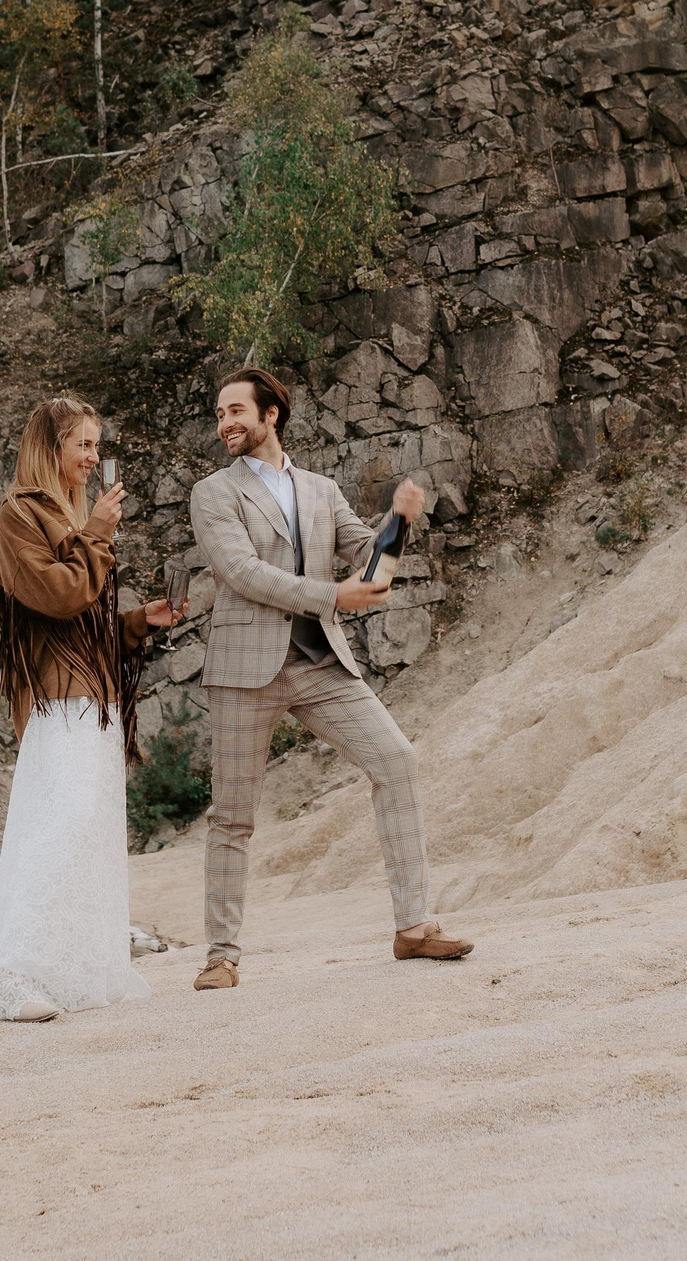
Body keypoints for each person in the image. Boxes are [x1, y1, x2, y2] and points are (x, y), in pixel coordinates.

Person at [185, 366, 473, 991]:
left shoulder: (320, 489)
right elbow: (239, 573)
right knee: (233, 815)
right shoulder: (213, 493)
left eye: (237, 410)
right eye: (219, 414)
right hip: (243, 674)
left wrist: (399, 523)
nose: (225, 423)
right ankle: (221, 956)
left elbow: (372, 569)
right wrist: (330, 597)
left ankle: (413, 927)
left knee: (396, 760)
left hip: (320, 664)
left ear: (271, 416)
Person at [0, 395, 183, 1026]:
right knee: (55, 827)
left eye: (97, 446)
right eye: (83, 444)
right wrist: (100, 533)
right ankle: (16, 977)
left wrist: (138, 621)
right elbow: (59, 596)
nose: (93, 457)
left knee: (88, 833)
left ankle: (76, 970)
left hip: (96, 697)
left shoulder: (75, 517)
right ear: (50, 448)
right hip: (57, 700)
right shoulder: (18, 516)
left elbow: (88, 621)